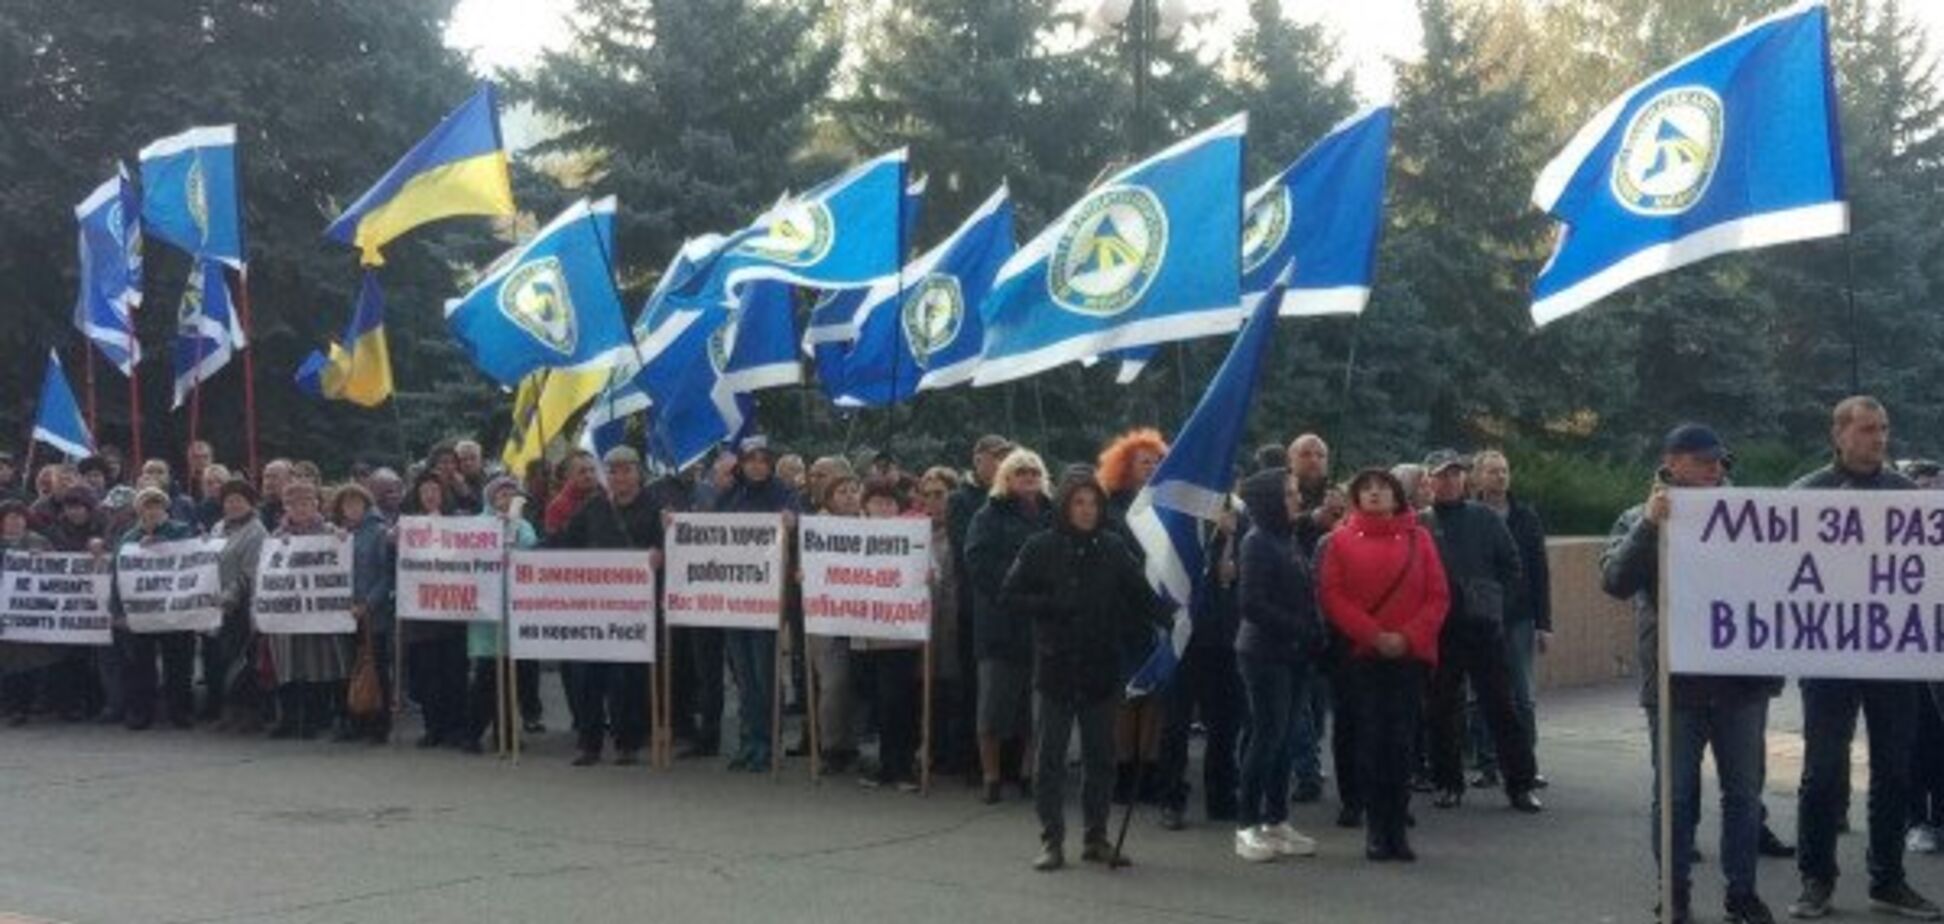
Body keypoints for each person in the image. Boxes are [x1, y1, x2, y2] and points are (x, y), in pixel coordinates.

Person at [1602, 424, 1780, 924]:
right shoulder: (1639, 516)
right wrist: (1649, 528)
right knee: (1676, 796)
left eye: (1720, 462)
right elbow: (1615, 580)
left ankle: (1741, 895)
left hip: (1740, 683)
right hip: (1676, 683)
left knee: (1744, 796)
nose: (1716, 470)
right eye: (1704, 462)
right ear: (1673, 462)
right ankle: (1674, 894)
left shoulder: (1749, 516)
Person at [1789, 397, 1940, 920]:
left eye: (1885, 429)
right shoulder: (1805, 494)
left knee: (1894, 771)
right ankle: (1815, 879)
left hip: (1892, 659)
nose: (1879, 439)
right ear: (1840, 435)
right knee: (1823, 772)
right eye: (1869, 430)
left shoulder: (1906, 495)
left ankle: (1889, 880)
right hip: (1828, 658)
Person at [1003, 475, 1166, 871]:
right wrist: (1050, 605)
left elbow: (1141, 595)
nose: (1086, 510)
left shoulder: (1112, 547)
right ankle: (1051, 841)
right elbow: (1009, 595)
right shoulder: (1039, 546)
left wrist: (1175, 617)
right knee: (1050, 761)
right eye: (1078, 502)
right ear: (1064, 506)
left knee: (1101, 759)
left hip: (1101, 668)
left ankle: (1097, 837)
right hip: (1055, 667)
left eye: (1092, 503)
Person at [1318, 468, 1449, 863]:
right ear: (1356, 499)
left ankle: (1398, 825)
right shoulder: (1340, 541)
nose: (1375, 494)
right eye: (1366, 490)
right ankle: (1377, 828)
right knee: (1372, 742)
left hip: (1408, 657)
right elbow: (1332, 595)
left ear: (1397, 496)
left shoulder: (1419, 538)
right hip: (1364, 657)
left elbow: (1437, 595)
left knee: (1403, 741)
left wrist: (1407, 637)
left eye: (1382, 489)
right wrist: (1374, 635)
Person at [1419, 450, 1541, 814]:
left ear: (1465, 479)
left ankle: (1520, 785)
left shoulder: (1485, 518)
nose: (1449, 481)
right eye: (1442, 476)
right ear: (1429, 481)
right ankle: (1447, 783)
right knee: (1441, 711)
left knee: (1502, 708)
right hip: (1440, 630)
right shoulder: (1420, 523)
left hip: (1484, 630)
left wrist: (1493, 602)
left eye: (1455, 475)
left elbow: (1513, 565)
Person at [1232, 470, 1323, 862]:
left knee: (1284, 739)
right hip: (1264, 653)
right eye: (1289, 493)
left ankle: (1276, 818)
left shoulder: (1285, 538)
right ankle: (1246, 825)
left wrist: (1313, 630)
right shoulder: (1256, 542)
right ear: (1271, 499)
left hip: (1294, 653)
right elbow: (1251, 603)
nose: (1297, 499)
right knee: (1266, 737)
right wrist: (1300, 628)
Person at [555, 446, 663, 766]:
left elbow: (671, 548)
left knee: (627, 679)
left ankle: (627, 742)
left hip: (635, 609)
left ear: (638, 473)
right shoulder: (594, 507)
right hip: (595, 607)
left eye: (626, 470)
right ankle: (590, 744)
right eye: (613, 471)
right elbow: (564, 541)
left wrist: (661, 554)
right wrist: (524, 555)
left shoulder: (655, 509)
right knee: (588, 677)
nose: (620, 477)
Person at [964, 446, 1050, 804]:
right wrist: (1017, 588)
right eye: (1021, 471)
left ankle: (1031, 773)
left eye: (1033, 471)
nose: (1028, 477)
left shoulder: (1053, 515)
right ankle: (992, 776)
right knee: (993, 707)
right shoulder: (988, 515)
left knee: (1038, 709)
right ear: (1007, 477)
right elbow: (978, 563)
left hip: (1043, 625)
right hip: (1000, 624)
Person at [1467, 449, 1551, 791]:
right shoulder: (1467, 516)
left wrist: (1544, 623)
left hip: (1518, 616)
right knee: (1480, 694)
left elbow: (1539, 572)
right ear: (1477, 477)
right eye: (1492, 471)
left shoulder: (1525, 517)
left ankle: (1525, 764)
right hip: (1477, 617)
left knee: (1522, 695)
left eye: (1504, 471)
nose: (1500, 477)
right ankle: (1487, 764)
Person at [712, 436, 796, 771]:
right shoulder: (731, 495)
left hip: (768, 600)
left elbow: (798, 524)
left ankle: (768, 741)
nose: (757, 465)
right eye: (751, 460)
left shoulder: (784, 493)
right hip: (734, 601)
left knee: (765, 674)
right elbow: (709, 533)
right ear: (742, 464)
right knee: (744, 677)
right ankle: (749, 739)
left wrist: (793, 521)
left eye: (763, 459)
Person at [1097, 428, 1169, 805]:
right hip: (1124, 615)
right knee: (1128, 695)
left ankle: (1149, 768)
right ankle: (1124, 771)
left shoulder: (1167, 507)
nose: (1153, 467)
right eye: (1145, 462)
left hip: (1160, 613)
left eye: (1158, 462)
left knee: (1156, 695)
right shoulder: (1110, 509)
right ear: (1125, 465)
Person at [264, 481, 349, 740]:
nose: (300, 508)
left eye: (305, 502)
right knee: (287, 666)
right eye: (293, 503)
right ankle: (289, 718)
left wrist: (341, 540)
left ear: (316, 504)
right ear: (285, 507)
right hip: (287, 614)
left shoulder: (330, 532)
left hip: (316, 613)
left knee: (317, 666)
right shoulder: (275, 538)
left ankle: (315, 719)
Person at [855, 480, 923, 790]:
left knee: (898, 699)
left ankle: (902, 764)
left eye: (889, 503)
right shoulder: (849, 536)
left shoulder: (913, 537)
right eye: (876, 502)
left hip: (900, 633)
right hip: (865, 635)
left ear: (898, 508)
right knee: (876, 701)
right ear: (865, 506)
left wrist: (928, 574)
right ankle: (884, 762)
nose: (882, 508)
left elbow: (928, 571)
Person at [113, 487, 199, 730]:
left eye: (157, 505)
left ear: (165, 508)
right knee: (140, 665)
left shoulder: (181, 531)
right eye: (147, 506)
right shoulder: (128, 538)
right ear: (139, 510)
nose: (152, 511)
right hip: (142, 611)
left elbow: (193, 561)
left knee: (179, 664)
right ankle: (141, 712)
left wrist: (163, 545)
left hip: (175, 611)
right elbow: (117, 574)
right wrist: (118, 612)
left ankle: (180, 711)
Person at [464, 476, 536, 753]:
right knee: (485, 679)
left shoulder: (523, 525)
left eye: (511, 494)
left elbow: (529, 548)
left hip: (515, 610)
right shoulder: (477, 524)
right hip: (486, 614)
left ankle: (505, 732)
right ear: (491, 498)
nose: (506, 498)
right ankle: (473, 733)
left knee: (511, 679)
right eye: (501, 494)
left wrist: (513, 526)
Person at [400, 471, 469, 748]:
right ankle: (433, 727)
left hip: (453, 610)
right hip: (422, 613)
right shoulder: (407, 525)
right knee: (428, 673)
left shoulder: (459, 522)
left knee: (454, 671)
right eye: (424, 489)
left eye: (435, 490)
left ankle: (456, 727)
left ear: (444, 494)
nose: (429, 495)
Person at [916, 466, 970, 776]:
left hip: (954, 622)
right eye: (927, 495)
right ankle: (930, 750)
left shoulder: (962, 532)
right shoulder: (914, 533)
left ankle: (955, 753)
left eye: (940, 494)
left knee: (955, 690)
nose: (933, 501)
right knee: (927, 691)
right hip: (923, 626)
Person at [808, 472, 863, 771]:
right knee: (833, 682)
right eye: (842, 491)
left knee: (857, 684)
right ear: (829, 498)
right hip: (828, 616)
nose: (850, 496)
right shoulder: (817, 529)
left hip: (866, 616)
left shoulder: (875, 529)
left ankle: (851, 744)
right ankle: (830, 746)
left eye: (855, 490)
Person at [333, 482, 394, 744]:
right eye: (346, 504)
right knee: (352, 669)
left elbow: (386, 576)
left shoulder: (379, 532)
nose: (351, 508)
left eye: (356, 503)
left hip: (373, 615)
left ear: (366, 505)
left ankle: (379, 726)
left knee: (377, 668)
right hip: (345, 615)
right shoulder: (340, 534)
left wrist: (367, 604)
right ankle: (355, 721)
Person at [209, 479, 267, 733]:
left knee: (242, 661)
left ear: (250, 503)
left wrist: (228, 598)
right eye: (228, 500)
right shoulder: (217, 528)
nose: (232, 505)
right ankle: (228, 712)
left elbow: (250, 574)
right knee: (221, 660)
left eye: (238, 500)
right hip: (215, 605)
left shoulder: (257, 531)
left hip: (241, 606)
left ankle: (249, 714)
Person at [0, 499, 57, 725]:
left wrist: (44, 559)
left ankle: (20, 706)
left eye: (19, 517)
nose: (14, 522)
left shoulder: (39, 542)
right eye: (9, 518)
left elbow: (58, 571)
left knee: (22, 662)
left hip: (25, 614)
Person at [544, 450, 598, 536]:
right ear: (570, 475)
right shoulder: (556, 508)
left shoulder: (607, 497)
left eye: (592, 470)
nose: (589, 475)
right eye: (582, 472)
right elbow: (555, 543)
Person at [258, 459, 292, 531]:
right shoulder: (255, 512)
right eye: (266, 477)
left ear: (288, 480)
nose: (269, 482)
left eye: (274, 477)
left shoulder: (298, 511)